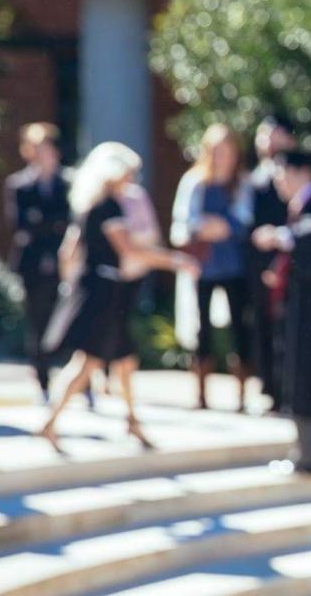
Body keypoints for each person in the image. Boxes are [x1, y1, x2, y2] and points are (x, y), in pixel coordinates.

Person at [37, 143, 198, 453]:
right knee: (89, 362)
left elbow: (70, 252)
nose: (131, 179)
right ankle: (51, 421)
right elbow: (129, 250)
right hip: (102, 292)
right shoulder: (107, 207)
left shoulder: (95, 205)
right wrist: (176, 261)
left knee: (124, 358)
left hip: (107, 291)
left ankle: (131, 420)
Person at [253, 149, 311, 476]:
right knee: (302, 374)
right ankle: (306, 450)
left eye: (282, 173)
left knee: (307, 376)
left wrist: (279, 236)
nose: (278, 181)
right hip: (302, 308)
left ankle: (309, 454)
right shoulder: (301, 207)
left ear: (302, 172)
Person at [171, 124, 255, 411]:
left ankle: (242, 392)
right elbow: (185, 220)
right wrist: (209, 226)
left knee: (239, 328)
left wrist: (221, 225)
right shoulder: (195, 181)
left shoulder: (241, 182)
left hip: (233, 265)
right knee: (202, 328)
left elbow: (242, 221)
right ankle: (201, 393)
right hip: (205, 265)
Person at [3, 123, 73, 401]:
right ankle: (43, 382)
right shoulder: (19, 184)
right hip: (32, 263)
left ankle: (78, 383)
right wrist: (52, 224)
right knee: (38, 322)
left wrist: (43, 222)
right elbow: (20, 225)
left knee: (69, 320)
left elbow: (70, 222)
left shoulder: (69, 183)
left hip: (64, 260)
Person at [248, 114, 297, 412]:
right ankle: (271, 389)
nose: (268, 141)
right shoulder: (255, 175)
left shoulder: (296, 170)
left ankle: (289, 390)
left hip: (291, 261)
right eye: (264, 134)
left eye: (275, 134)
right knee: (264, 327)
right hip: (262, 263)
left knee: (289, 329)